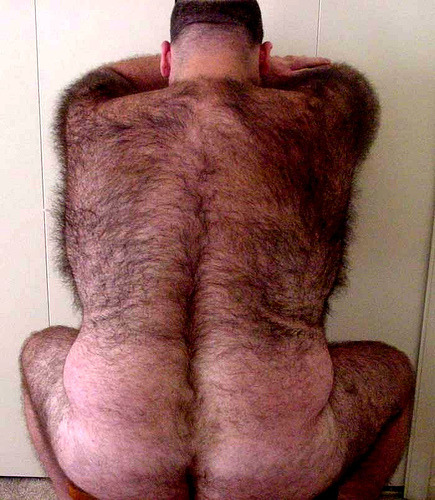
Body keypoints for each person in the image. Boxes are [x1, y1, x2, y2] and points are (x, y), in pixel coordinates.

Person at [20, 1, 415, 499]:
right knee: (394, 369)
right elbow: (344, 81)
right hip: (278, 458)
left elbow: (111, 76)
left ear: (166, 57)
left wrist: (187, 65)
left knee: (38, 351)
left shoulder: (89, 113)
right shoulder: (324, 111)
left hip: (112, 452)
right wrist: (263, 72)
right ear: (262, 55)